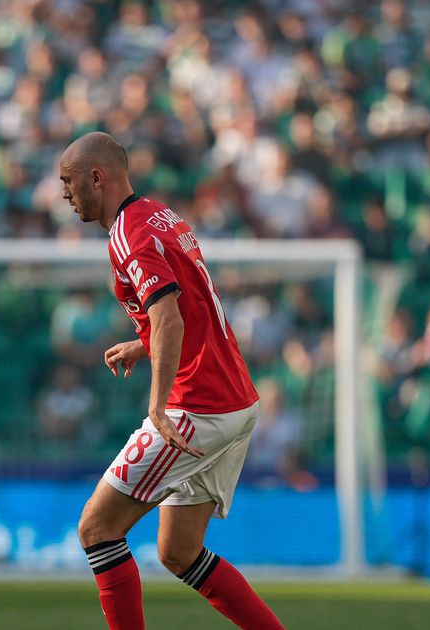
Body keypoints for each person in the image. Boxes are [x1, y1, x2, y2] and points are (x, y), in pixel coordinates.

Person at [59, 132, 283, 630]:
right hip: (236, 400)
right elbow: (191, 306)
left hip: (195, 407)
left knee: (97, 529)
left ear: (97, 176)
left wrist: (158, 408)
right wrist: (144, 343)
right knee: (179, 552)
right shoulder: (162, 216)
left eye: (69, 182)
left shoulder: (127, 235)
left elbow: (171, 319)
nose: (65, 194)